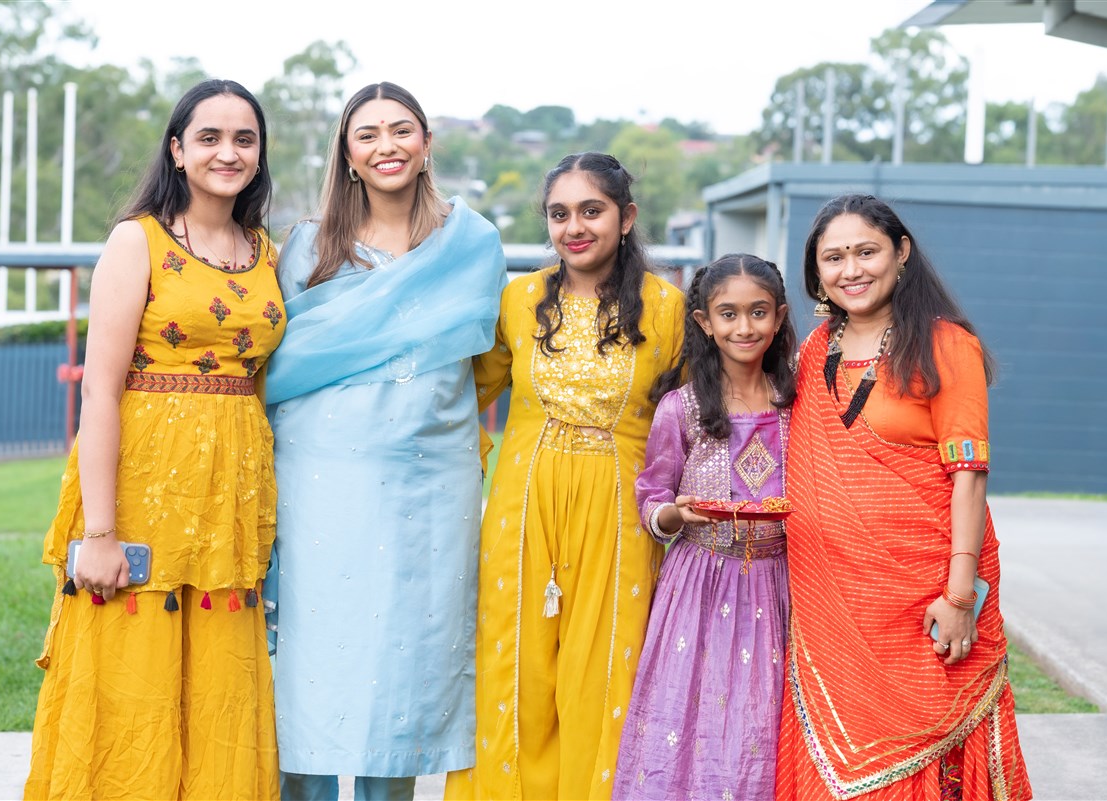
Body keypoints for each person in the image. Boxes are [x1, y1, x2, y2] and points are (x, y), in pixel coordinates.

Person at [23, 78, 284, 800]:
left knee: (220, 688)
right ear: (176, 149)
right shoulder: (136, 241)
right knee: (131, 682)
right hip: (144, 490)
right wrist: (101, 531)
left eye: (243, 138)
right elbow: (99, 390)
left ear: (260, 155)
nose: (227, 152)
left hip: (230, 499)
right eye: (209, 137)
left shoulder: (265, 250)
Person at [262, 81, 506, 801]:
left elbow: (479, 358)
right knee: (311, 661)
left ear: (426, 143)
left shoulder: (472, 243)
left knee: (401, 661)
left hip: (426, 482)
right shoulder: (309, 244)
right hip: (318, 481)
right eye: (366, 134)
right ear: (348, 153)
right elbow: (282, 363)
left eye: (401, 130)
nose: (386, 146)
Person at [444, 152, 686, 801]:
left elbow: (697, 415)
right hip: (523, 509)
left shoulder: (667, 310)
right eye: (558, 213)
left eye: (590, 210)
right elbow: (457, 396)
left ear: (626, 217)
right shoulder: (517, 301)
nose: (573, 226)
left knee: (605, 670)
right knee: (513, 667)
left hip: (617, 515)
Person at [775, 194, 1032, 800]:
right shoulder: (813, 352)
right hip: (830, 609)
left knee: (923, 755)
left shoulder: (945, 345)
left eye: (867, 251)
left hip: (924, 603)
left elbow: (969, 474)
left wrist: (961, 594)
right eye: (833, 257)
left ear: (902, 253)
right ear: (817, 271)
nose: (851, 270)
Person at [612, 254, 797, 801]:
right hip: (698, 584)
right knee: (689, 715)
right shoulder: (682, 408)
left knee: (761, 719)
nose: (745, 328)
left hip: (778, 581)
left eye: (759, 313)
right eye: (729, 314)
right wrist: (677, 514)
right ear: (703, 322)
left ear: (780, 318)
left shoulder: (800, 404)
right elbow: (653, 495)